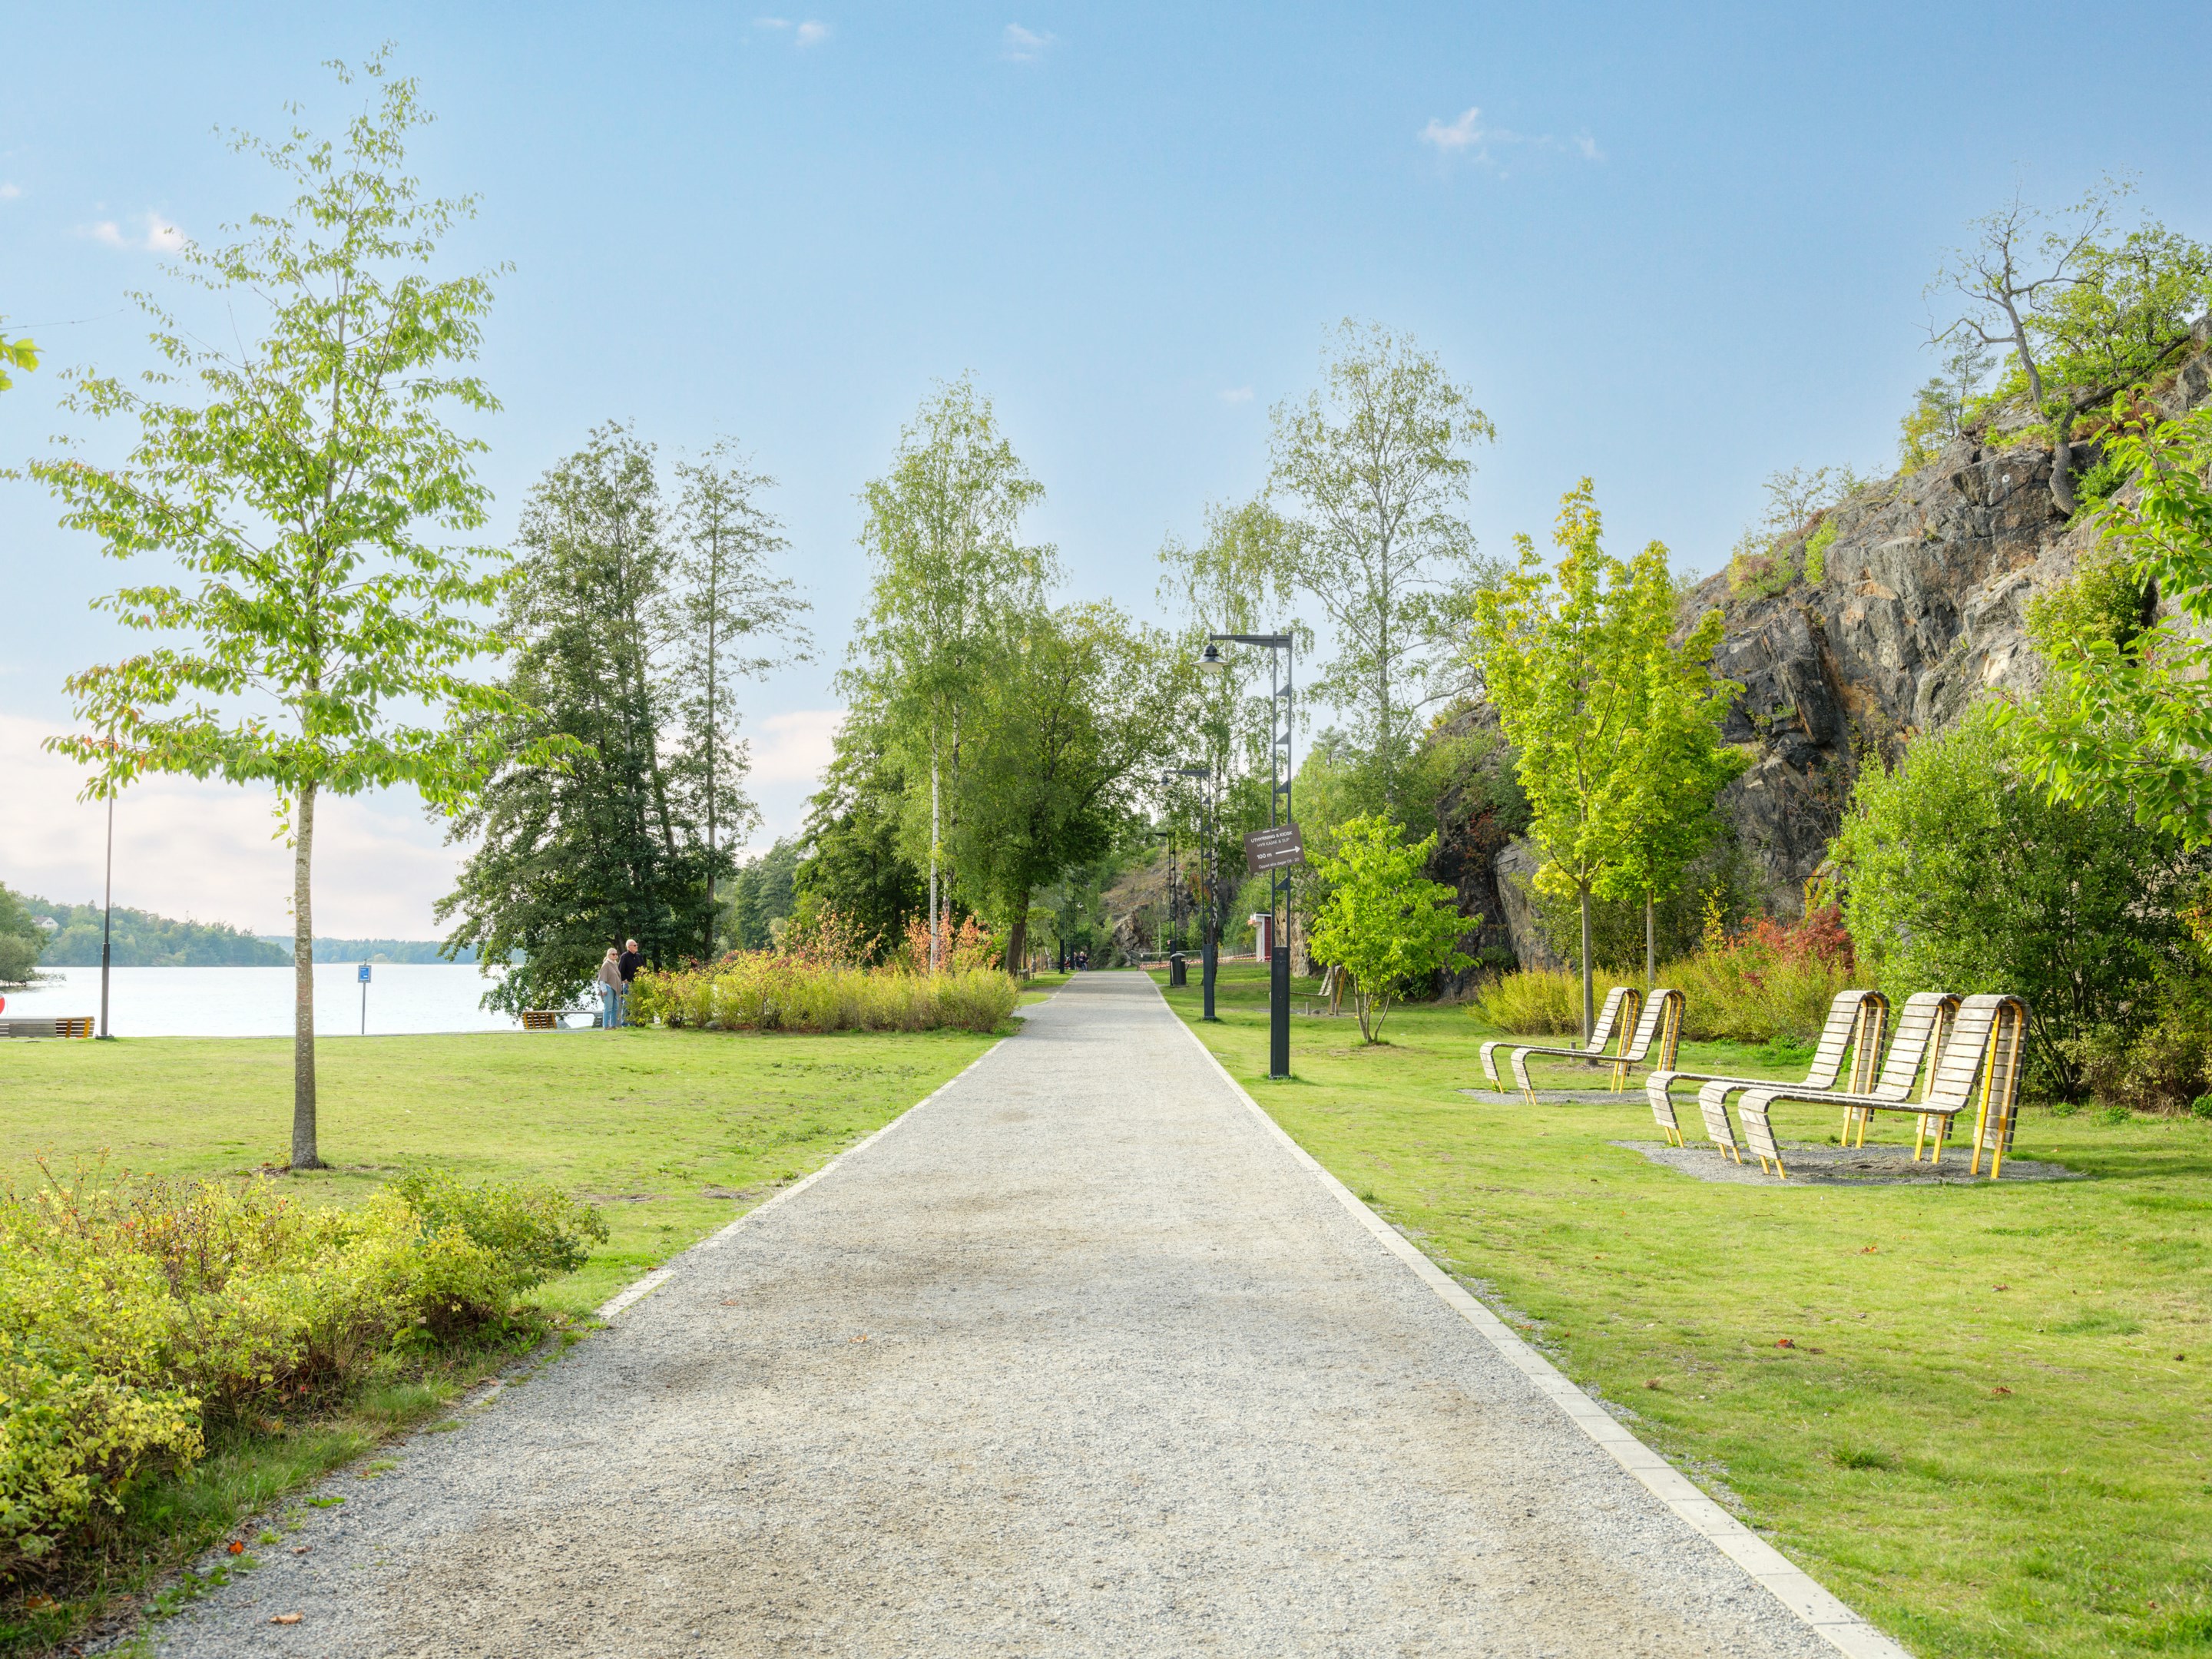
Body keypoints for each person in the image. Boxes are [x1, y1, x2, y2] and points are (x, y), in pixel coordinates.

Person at [617, 937, 644, 1026]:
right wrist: (624, 980)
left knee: (637, 1003)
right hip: (629, 984)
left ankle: (635, 1022)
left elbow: (643, 968)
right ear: (629, 947)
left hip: (638, 983)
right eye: (634, 945)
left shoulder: (639, 956)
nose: (636, 946)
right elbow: (620, 970)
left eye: (637, 945)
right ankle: (624, 1023)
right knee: (627, 1003)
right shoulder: (624, 956)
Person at [595, 947, 623, 1029]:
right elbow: (602, 979)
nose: (615, 956)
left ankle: (613, 1025)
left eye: (616, 954)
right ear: (609, 955)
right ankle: (606, 1026)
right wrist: (604, 990)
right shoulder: (606, 964)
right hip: (608, 988)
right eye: (613, 954)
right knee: (608, 1007)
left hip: (615, 989)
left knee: (615, 1007)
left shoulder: (615, 964)